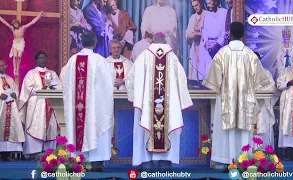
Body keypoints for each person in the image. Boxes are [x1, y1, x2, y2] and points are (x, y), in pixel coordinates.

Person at [202, 22, 270, 168]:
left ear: (229, 33)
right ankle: (244, 161)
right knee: (243, 132)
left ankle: (228, 162)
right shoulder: (250, 54)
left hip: (226, 99)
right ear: (243, 35)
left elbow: (213, 81)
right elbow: (260, 81)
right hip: (245, 99)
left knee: (226, 131)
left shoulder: (221, 53)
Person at [126, 32, 193, 171]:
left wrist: (137, 97)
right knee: (168, 123)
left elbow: (131, 78)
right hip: (167, 105)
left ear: (152, 41)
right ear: (164, 41)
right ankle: (165, 162)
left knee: (145, 124)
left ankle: (146, 162)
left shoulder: (143, 56)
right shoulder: (172, 58)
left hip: (148, 106)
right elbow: (182, 80)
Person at [63, 31, 115, 172]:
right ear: (94, 43)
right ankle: (97, 163)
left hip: (77, 107)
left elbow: (66, 82)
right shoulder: (99, 60)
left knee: (79, 127)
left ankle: (78, 162)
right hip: (94, 107)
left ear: (81, 43)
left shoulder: (72, 61)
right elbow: (109, 81)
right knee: (96, 126)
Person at [19, 51, 61, 157]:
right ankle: (34, 152)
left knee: (50, 128)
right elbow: (27, 88)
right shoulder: (31, 74)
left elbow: (59, 86)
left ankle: (49, 152)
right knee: (36, 126)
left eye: (44, 57)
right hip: (37, 104)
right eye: (40, 58)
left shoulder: (52, 73)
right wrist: (41, 88)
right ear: (36, 60)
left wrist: (53, 87)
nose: (43, 59)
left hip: (50, 104)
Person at [0, 58, 25, 161]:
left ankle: (7, 154)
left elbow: (15, 90)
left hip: (10, 108)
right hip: (1, 108)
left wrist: (15, 94)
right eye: (2, 65)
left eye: (5, 65)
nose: (5, 67)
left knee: (10, 130)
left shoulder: (10, 79)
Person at [254, 52, 278, 147]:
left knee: (263, 123)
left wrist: (257, 91)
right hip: (248, 104)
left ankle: (264, 151)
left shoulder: (266, 73)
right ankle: (246, 151)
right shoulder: (242, 72)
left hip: (263, 104)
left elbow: (272, 87)